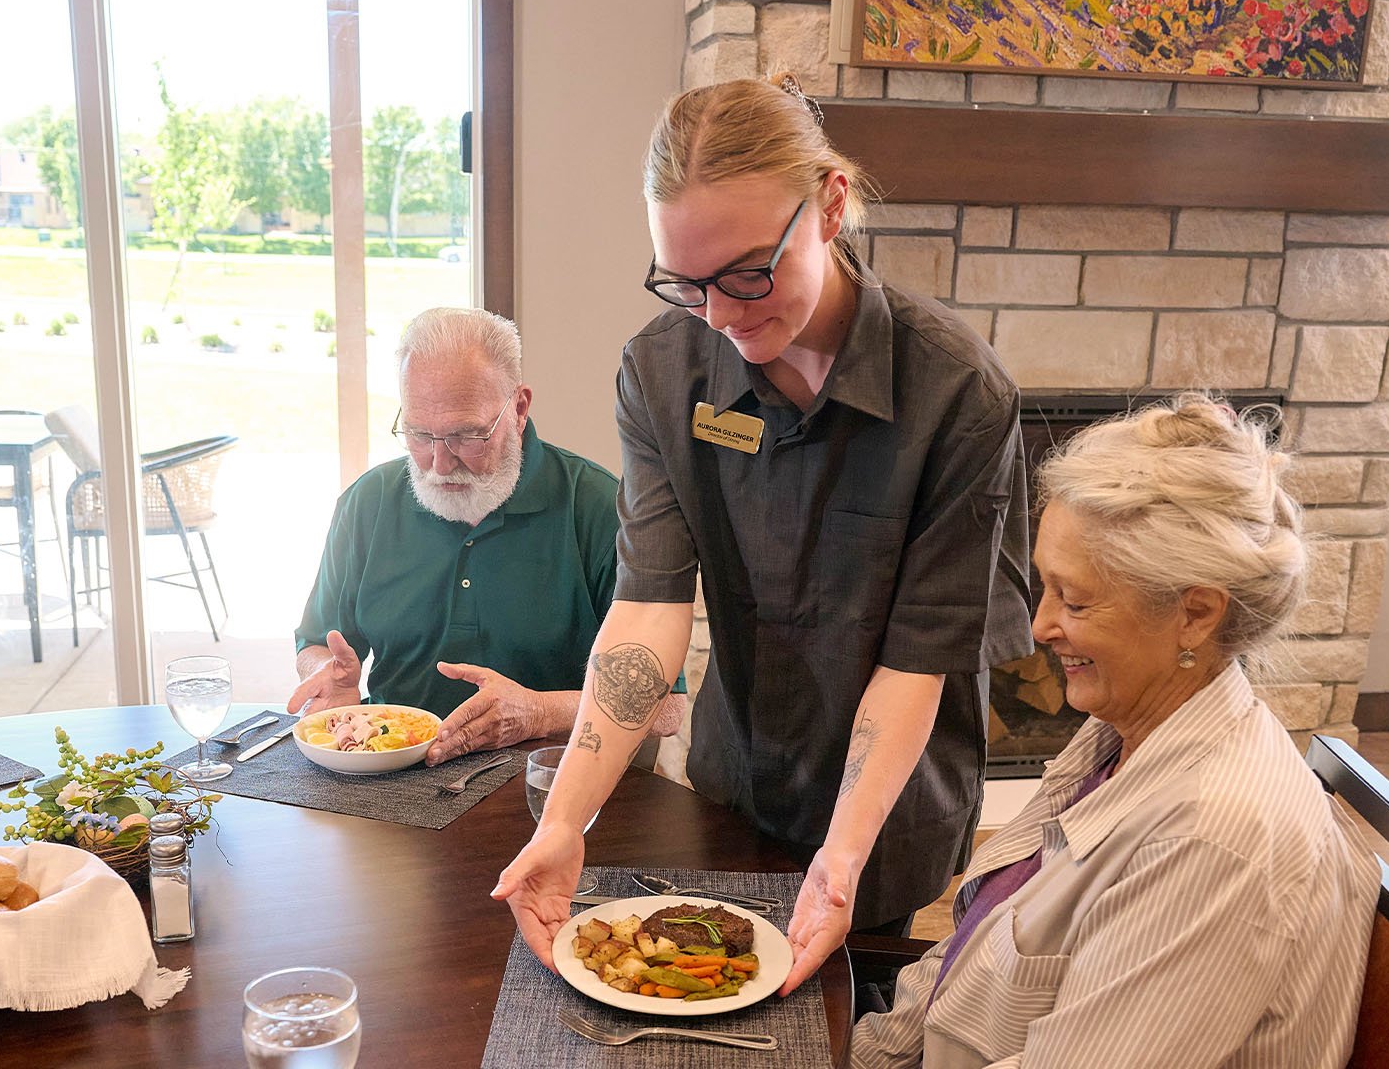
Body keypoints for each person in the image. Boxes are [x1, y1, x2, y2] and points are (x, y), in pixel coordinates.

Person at [493, 73, 1034, 996]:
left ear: (829, 205)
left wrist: (842, 853)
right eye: (687, 283)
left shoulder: (956, 394)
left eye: (750, 272)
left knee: (843, 1017)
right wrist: (565, 823)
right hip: (734, 783)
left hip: (883, 817)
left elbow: (919, 660)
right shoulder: (661, 373)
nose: (724, 315)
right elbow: (646, 610)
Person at [849, 394, 1377, 1067]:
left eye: (1074, 599)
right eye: (1044, 588)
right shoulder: (1124, 733)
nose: (1040, 627)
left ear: (1195, 615)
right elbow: (964, 960)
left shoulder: (1214, 839)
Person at [291, 307, 683, 766]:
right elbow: (320, 643)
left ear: (518, 409)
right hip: (394, 772)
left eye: (466, 436)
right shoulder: (368, 502)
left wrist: (537, 712)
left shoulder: (597, 506)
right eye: (419, 434)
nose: (439, 464)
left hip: (551, 778)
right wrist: (327, 674)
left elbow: (667, 708)